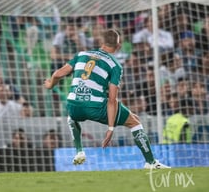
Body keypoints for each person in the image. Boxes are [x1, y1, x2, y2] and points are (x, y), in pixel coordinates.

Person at [44, 29, 170, 169]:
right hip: (96, 106)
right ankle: (151, 163)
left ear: (102, 42)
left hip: (73, 104)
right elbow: (112, 99)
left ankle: (79, 151)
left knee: (72, 117)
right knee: (134, 122)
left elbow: (58, 73)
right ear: (118, 46)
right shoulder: (115, 65)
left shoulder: (81, 54)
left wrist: (50, 84)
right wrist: (110, 128)